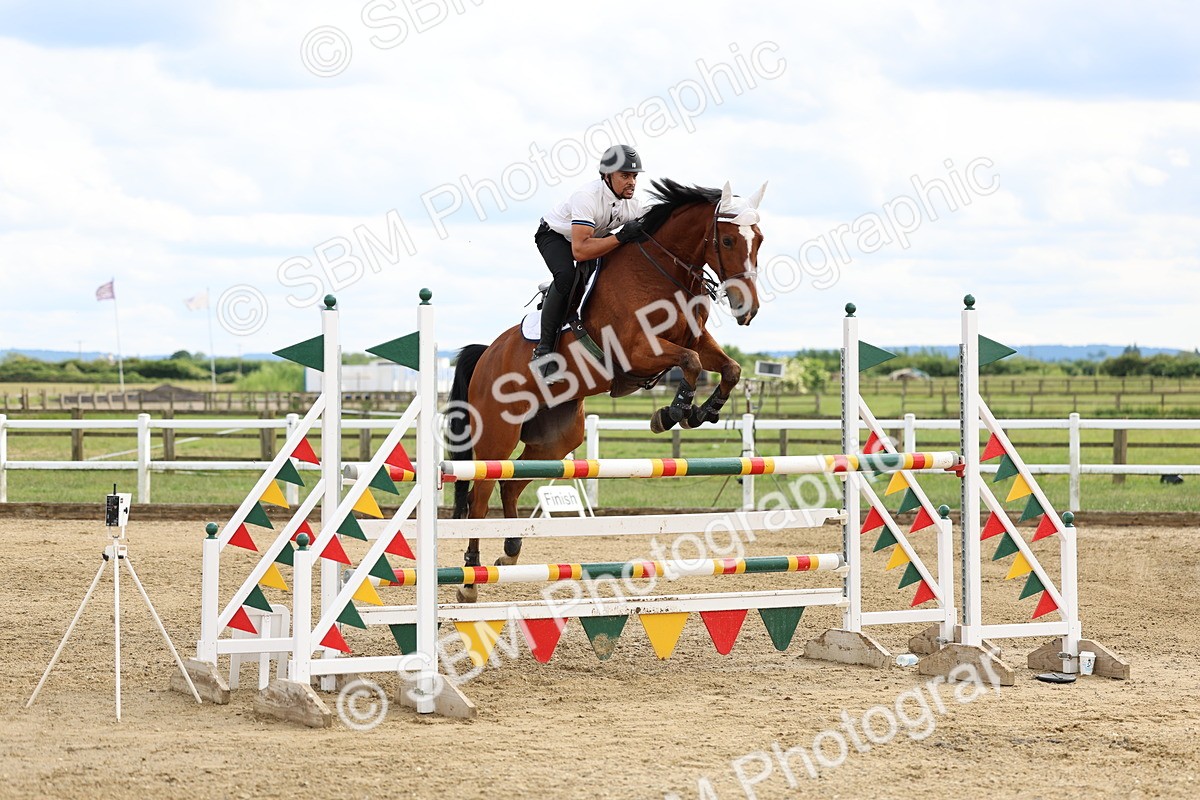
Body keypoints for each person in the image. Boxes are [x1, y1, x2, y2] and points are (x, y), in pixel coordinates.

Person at [531, 144, 650, 380]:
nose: (632, 182)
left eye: (634, 176)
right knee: (566, 277)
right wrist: (621, 236)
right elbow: (581, 251)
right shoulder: (587, 197)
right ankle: (543, 352)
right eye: (625, 176)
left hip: (591, 239)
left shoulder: (633, 205)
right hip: (556, 237)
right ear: (607, 176)